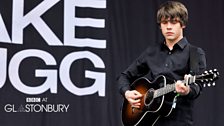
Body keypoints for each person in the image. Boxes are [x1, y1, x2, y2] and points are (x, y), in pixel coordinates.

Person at [117, 1, 206, 126]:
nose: (168, 27)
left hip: (179, 122)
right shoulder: (151, 52)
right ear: (160, 25)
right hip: (149, 121)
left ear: (183, 24)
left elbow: (197, 86)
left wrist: (186, 90)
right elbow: (124, 76)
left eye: (173, 22)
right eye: (164, 22)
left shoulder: (195, 53)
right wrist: (127, 93)